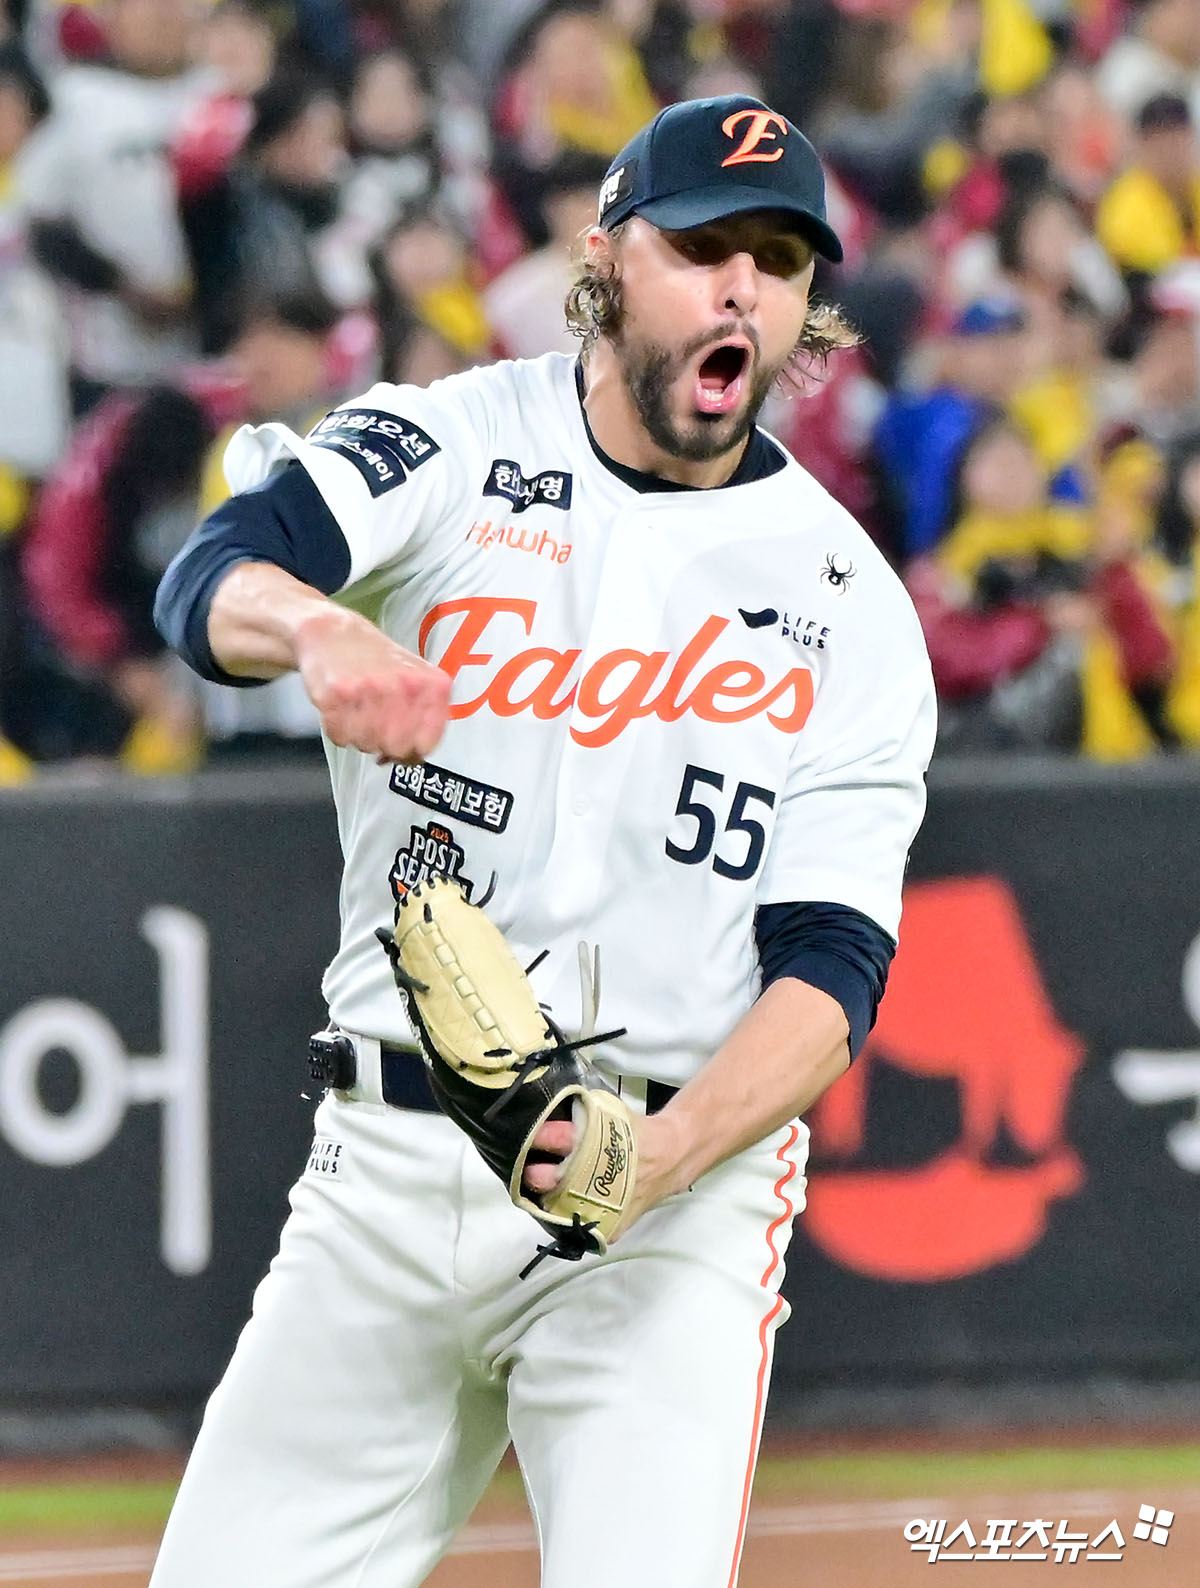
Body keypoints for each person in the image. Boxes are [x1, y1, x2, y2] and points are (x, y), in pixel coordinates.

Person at [149, 93, 935, 1588]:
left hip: (670, 1205)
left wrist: (663, 1155)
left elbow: (834, 972)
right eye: (705, 246)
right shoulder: (442, 443)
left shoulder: (850, 602)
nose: (742, 289)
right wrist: (318, 633)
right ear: (605, 260)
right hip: (386, 1167)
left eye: (779, 261)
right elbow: (217, 573)